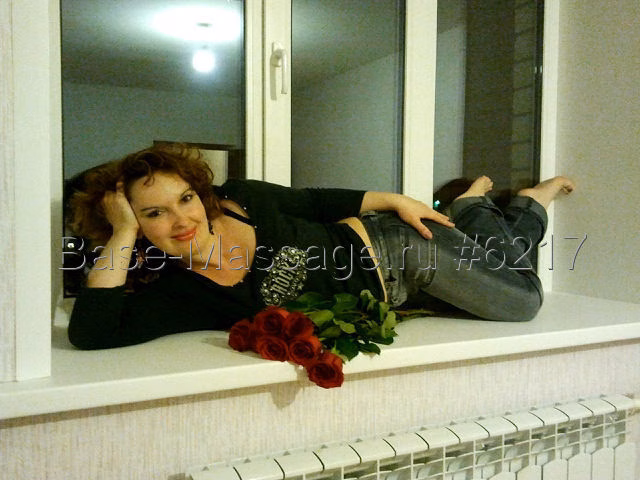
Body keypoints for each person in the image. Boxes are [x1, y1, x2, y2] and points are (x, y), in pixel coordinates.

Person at [67, 144, 574, 349]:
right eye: (154, 213)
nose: (182, 220)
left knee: (524, 301)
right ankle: (512, 206)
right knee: (507, 267)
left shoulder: (239, 200)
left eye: (185, 199)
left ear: (199, 193)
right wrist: (122, 234)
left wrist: (395, 200)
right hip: (398, 300)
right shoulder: (180, 293)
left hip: (402, 248)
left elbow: (313, 201)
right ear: (136, 223)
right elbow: (92, 333)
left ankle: (473, 208)